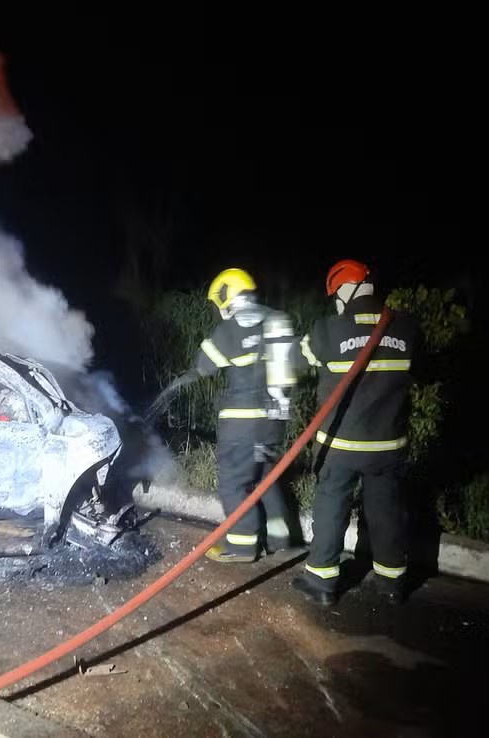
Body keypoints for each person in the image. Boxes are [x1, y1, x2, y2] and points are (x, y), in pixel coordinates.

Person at [291, 259, 419, 605]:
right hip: (387, 446)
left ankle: (321, 582)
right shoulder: (406, 328)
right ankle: (392, 583)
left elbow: (297, 362)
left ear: (343, 291)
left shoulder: (328, 330)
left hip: (340, 445)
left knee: (332, 506)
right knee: (386, 509)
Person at [167, 268, 297, 562]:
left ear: (226, 295)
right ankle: (279, 537)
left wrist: (188, 374)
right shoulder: (276, 319)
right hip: (274, 421)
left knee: (233, 484)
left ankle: (241, 545)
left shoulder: (231, 328)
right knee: (267, 478)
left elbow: (204, 363)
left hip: (242, 422)